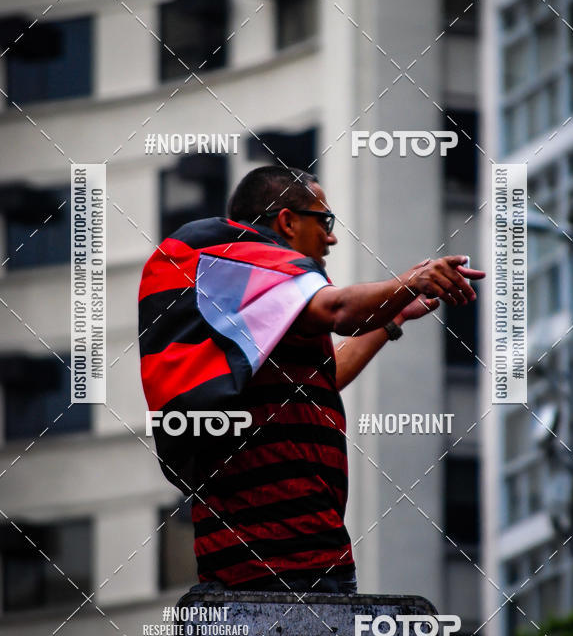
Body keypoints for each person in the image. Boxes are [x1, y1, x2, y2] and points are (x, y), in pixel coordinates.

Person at [139, 166, 485, 594]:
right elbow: (339, 311)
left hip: (251, 553)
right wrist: (412, 279)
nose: (332, 237)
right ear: (286, 220)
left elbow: (320, 380)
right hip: (287, 549)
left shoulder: (245, 291)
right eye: (325, 221)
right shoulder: (250, 268)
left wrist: (391, 317)